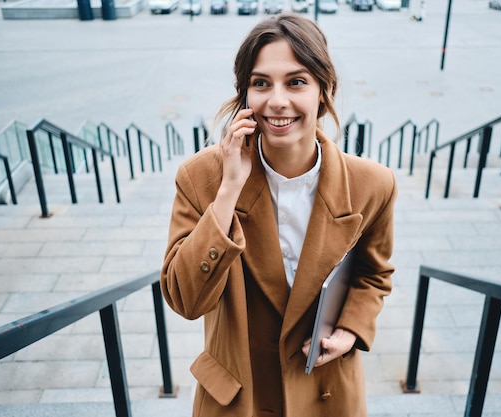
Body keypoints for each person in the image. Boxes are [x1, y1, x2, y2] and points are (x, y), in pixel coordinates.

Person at [160, 12, 397, 417]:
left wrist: (350, 331)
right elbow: (185, 300)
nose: (277, 101)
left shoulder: (372, 184)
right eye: (261, 83)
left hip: (326, 393)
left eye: (297, 81)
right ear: (245, 95)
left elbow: (374, 275)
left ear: (324, 91)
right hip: (239, 397)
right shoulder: (201, 177)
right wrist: (228, 190)